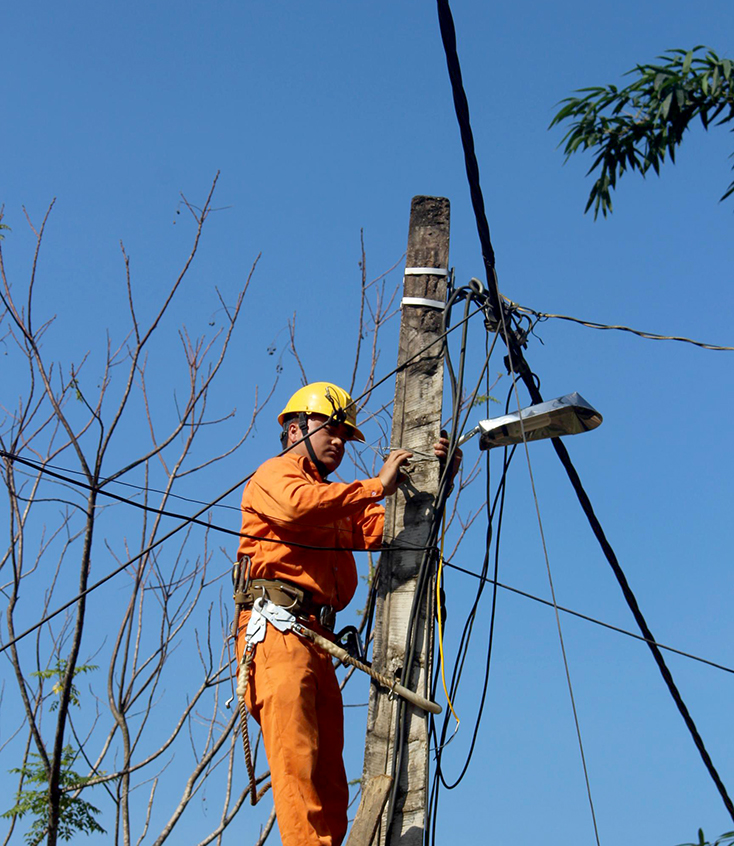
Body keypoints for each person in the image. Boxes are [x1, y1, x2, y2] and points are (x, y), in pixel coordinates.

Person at [234, 381, 458, 846]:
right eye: (330, 429)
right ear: (295, 429)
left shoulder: (336, 499)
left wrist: (440, 476)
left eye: (344, 433)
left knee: (330, 773)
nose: (338, 440)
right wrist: (375, 485)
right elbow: (297, 510)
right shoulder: (274, 476)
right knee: (299, 764)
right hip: (275, 634)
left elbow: (394, 530)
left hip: (314, 638)